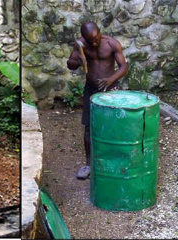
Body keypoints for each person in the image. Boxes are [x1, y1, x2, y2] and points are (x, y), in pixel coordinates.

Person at [66, 21, 128, 180]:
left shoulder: (112, 44)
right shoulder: (80, 44)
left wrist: (110, 79)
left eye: (96, 38)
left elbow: (123, 67)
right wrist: (79, 60)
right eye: (90, 41)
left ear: (100, 32)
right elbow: (70, 65)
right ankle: (89, 165)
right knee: (88, 128)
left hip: (110, 90)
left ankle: (114, 161)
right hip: (91, 90)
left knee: (113, 126)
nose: (94, 43)